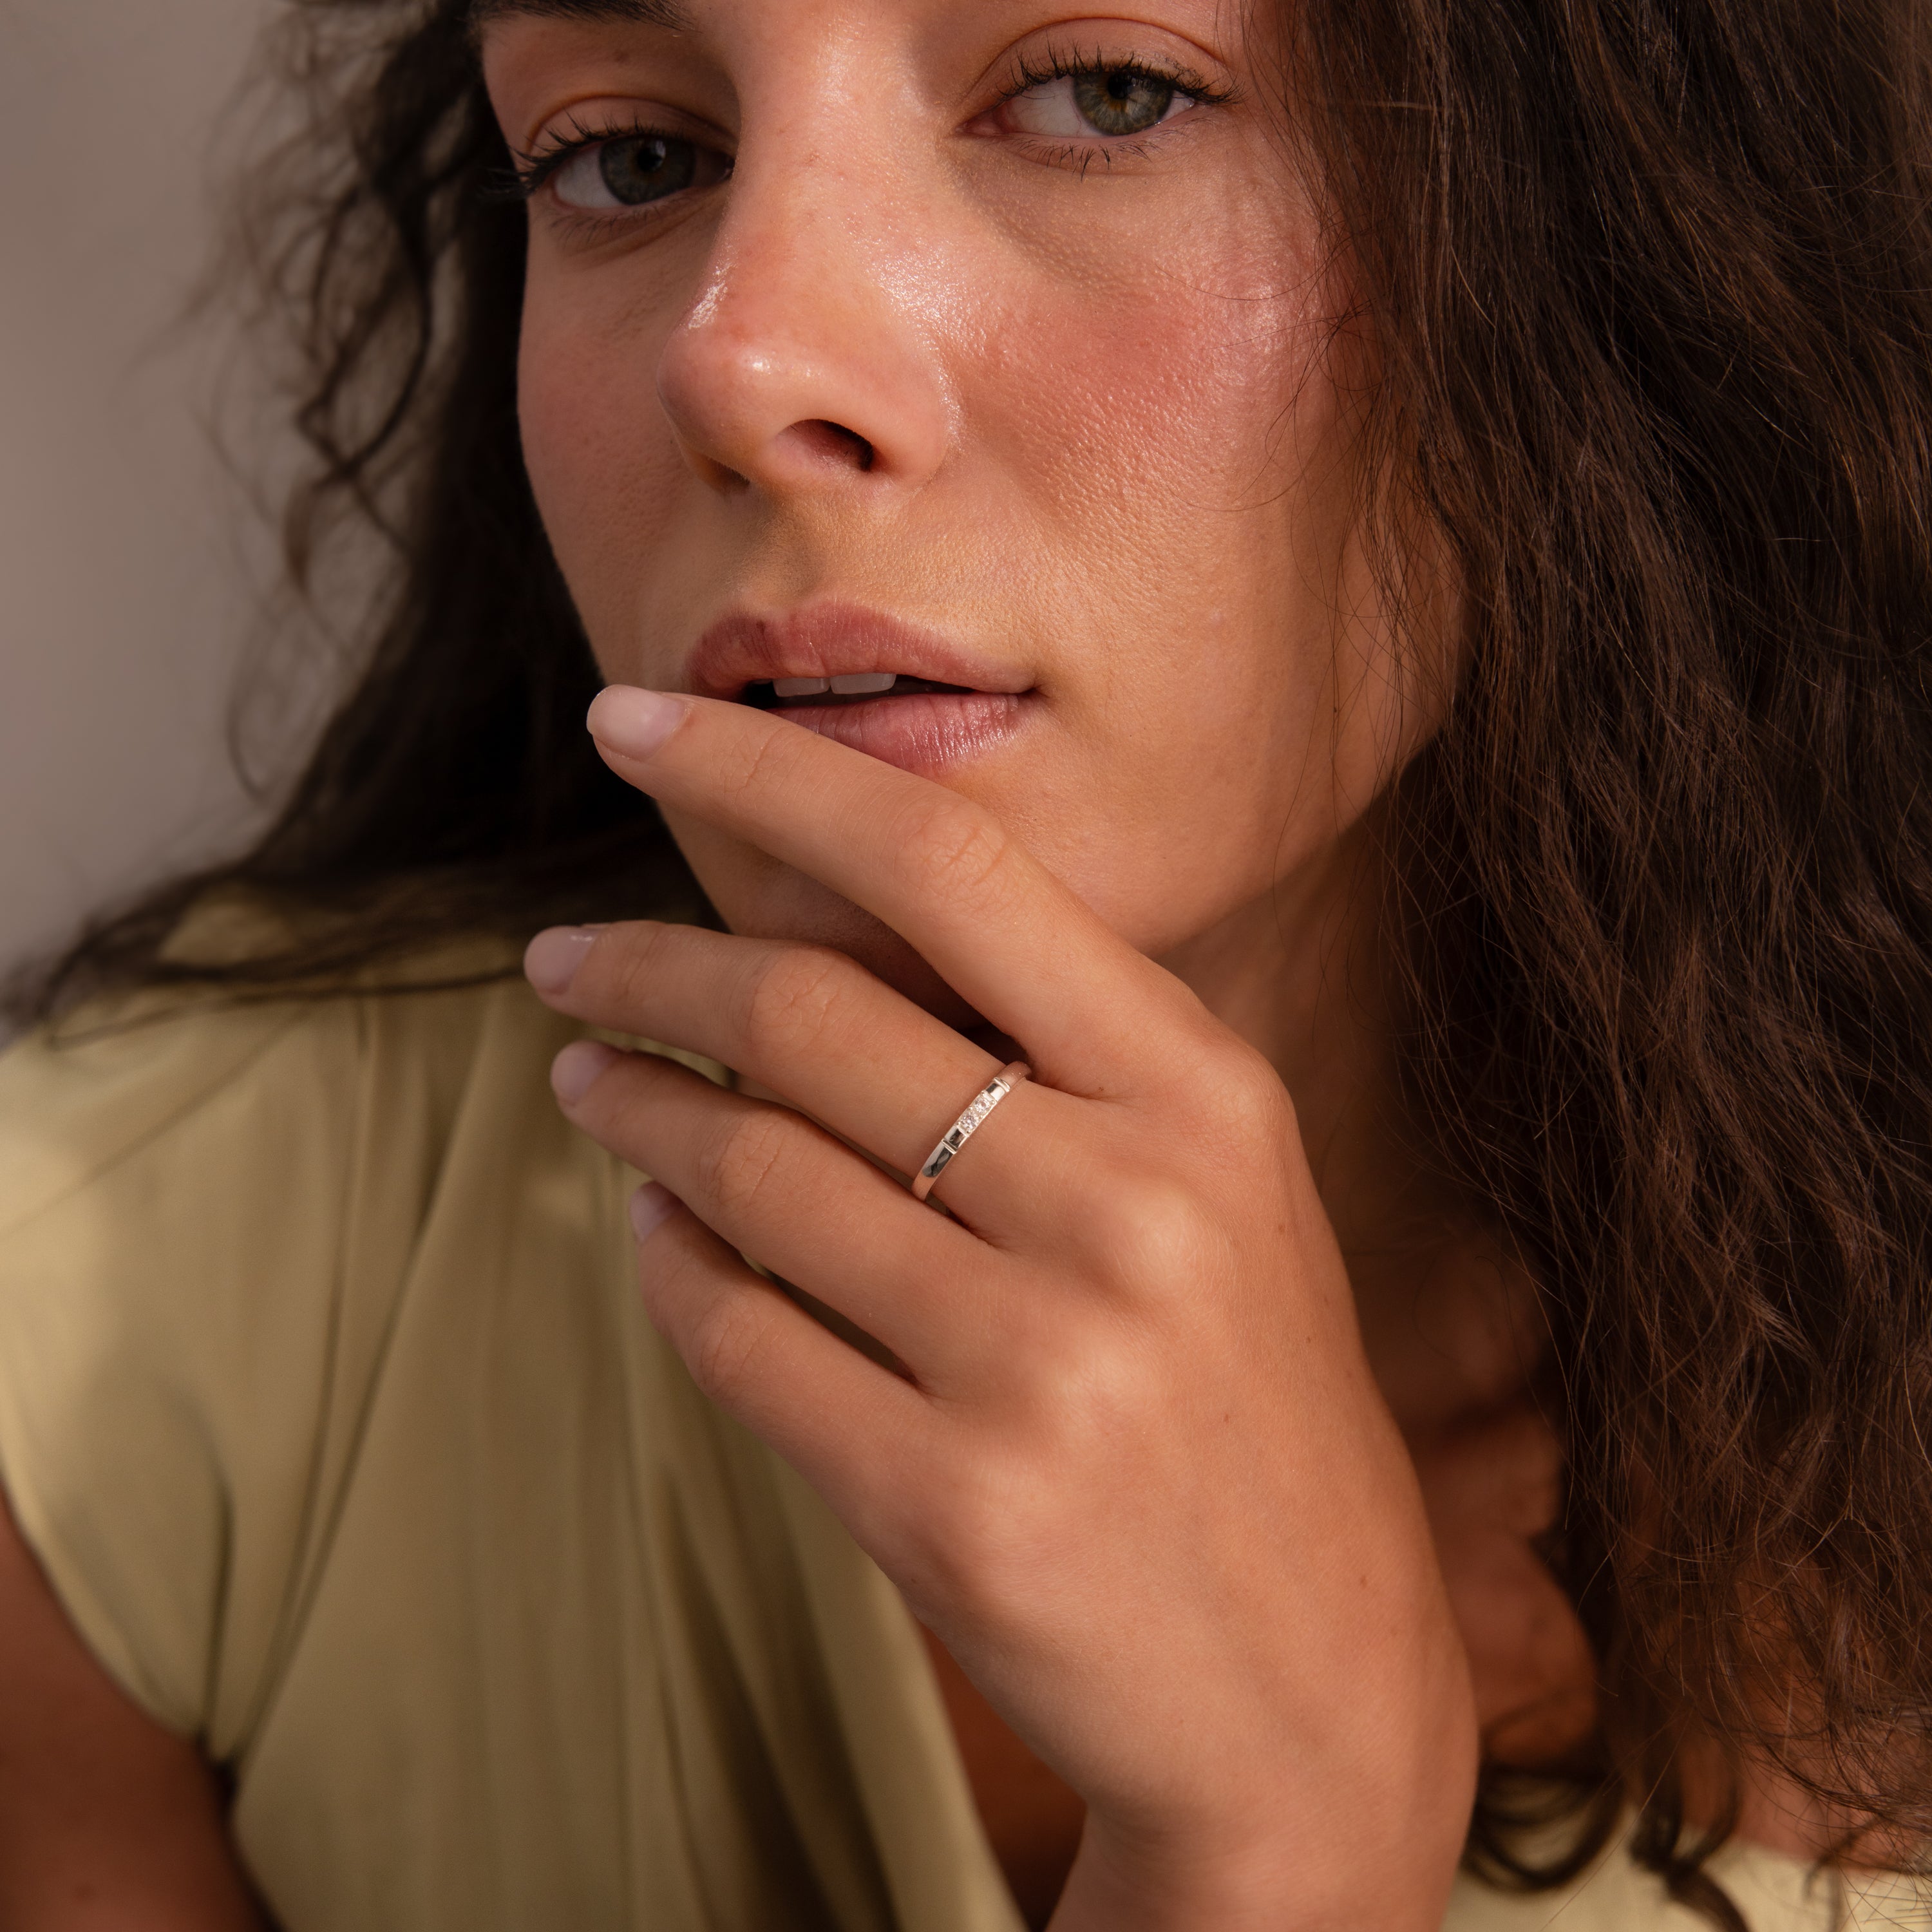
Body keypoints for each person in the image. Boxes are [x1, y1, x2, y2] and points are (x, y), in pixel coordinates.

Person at [1, 0, 1928, 1926]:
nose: (740, 362)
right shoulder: (109, 1348)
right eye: (629, 156)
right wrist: (1275, 1856)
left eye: (1108, 94)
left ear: (1622, 241)